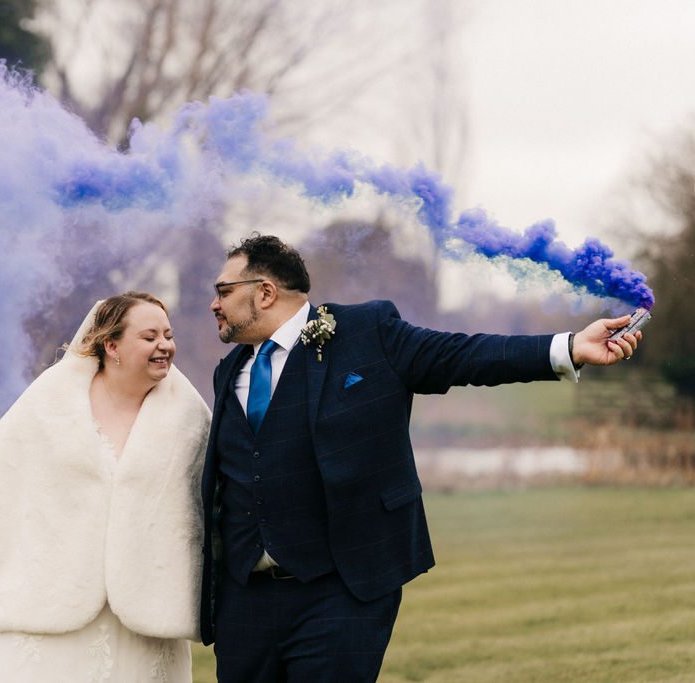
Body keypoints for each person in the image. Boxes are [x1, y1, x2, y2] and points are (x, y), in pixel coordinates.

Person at [198, 234, 642, 682]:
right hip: (245, 600)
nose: (215, 304)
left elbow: (463, 356)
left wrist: (566, 348)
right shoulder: (228, 372)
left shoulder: (369, 331)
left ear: (266, 292)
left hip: (342, 589)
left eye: (223, 291)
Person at [0, 291, 211, 682]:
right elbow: (6, 466)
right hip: (54, 595)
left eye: (168, 335)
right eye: (149, 337)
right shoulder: (56, 397)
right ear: (111, 345)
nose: (165, 346)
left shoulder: (188, 411)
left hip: (145, 611)